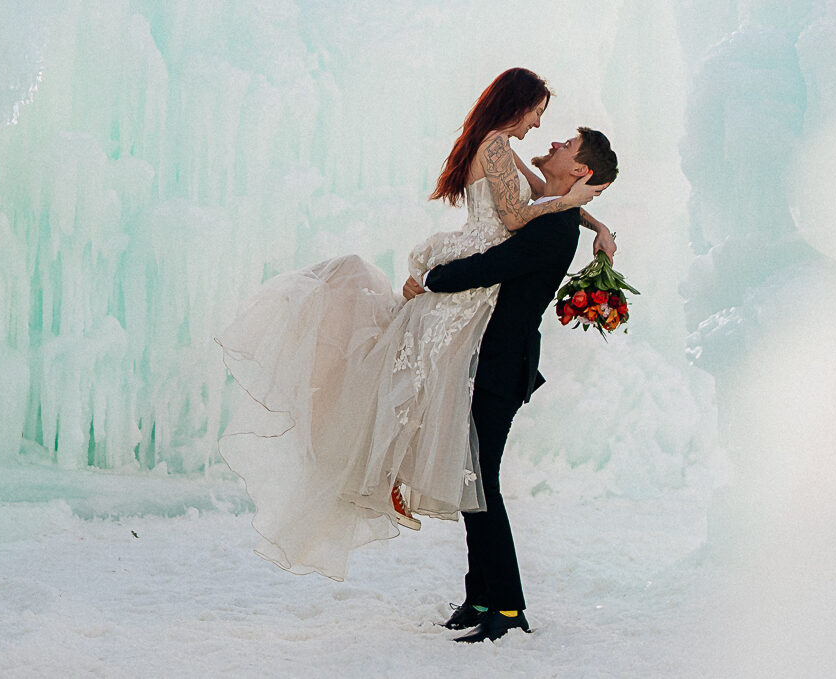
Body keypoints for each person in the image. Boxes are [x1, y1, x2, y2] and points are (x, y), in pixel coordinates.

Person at [215, 68, 614, 581]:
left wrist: (595, 220)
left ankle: (398, 476)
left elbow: (540, 201)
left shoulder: (504, 150)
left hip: (483, 274)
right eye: (538, 111)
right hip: (475, 261)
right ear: (519, 104)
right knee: (416, 368)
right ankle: (390, 474)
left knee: (430, 377)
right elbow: (516, 217)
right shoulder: (494, 147)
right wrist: (571, 204)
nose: (541, 124)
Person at [402, 126, 619, 642]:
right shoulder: (553, 212)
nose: (552, 143)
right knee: (471, 479)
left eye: (566, 145)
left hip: (503, 365)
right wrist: (598, 221)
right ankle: (480, 597)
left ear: (580, 170)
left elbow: (492, 266)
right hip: (494, 360)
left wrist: (429, 280)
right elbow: (526, 194)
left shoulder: (554, 226)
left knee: (482, 482)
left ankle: (507, 608)